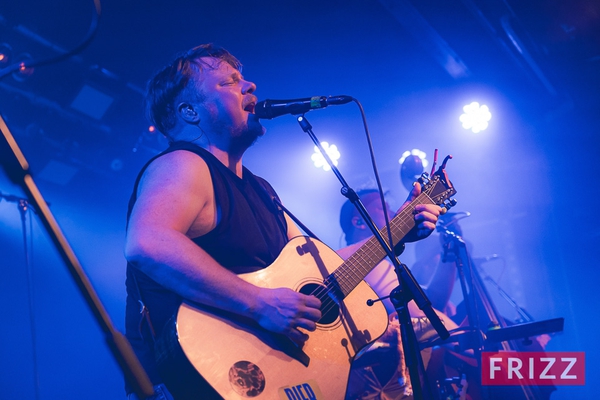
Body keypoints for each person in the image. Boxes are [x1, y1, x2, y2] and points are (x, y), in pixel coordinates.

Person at [123, 44, 442, 400]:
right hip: (197, 377)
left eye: (243, 78)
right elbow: (147, 244)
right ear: (189, 111)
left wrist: (396, 231)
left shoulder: (262, 190)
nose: (250, 86)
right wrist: (258, 304)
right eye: (229, 82)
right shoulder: (184, 164)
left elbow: (324, 269)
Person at [337, 189, 459, 400]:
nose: (393, 212)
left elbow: (430, 303)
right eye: (382, 207)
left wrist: (449, 252)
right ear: (358, 222)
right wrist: (470, 341)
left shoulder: (380, 264)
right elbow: (426, 314)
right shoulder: (361, 265)